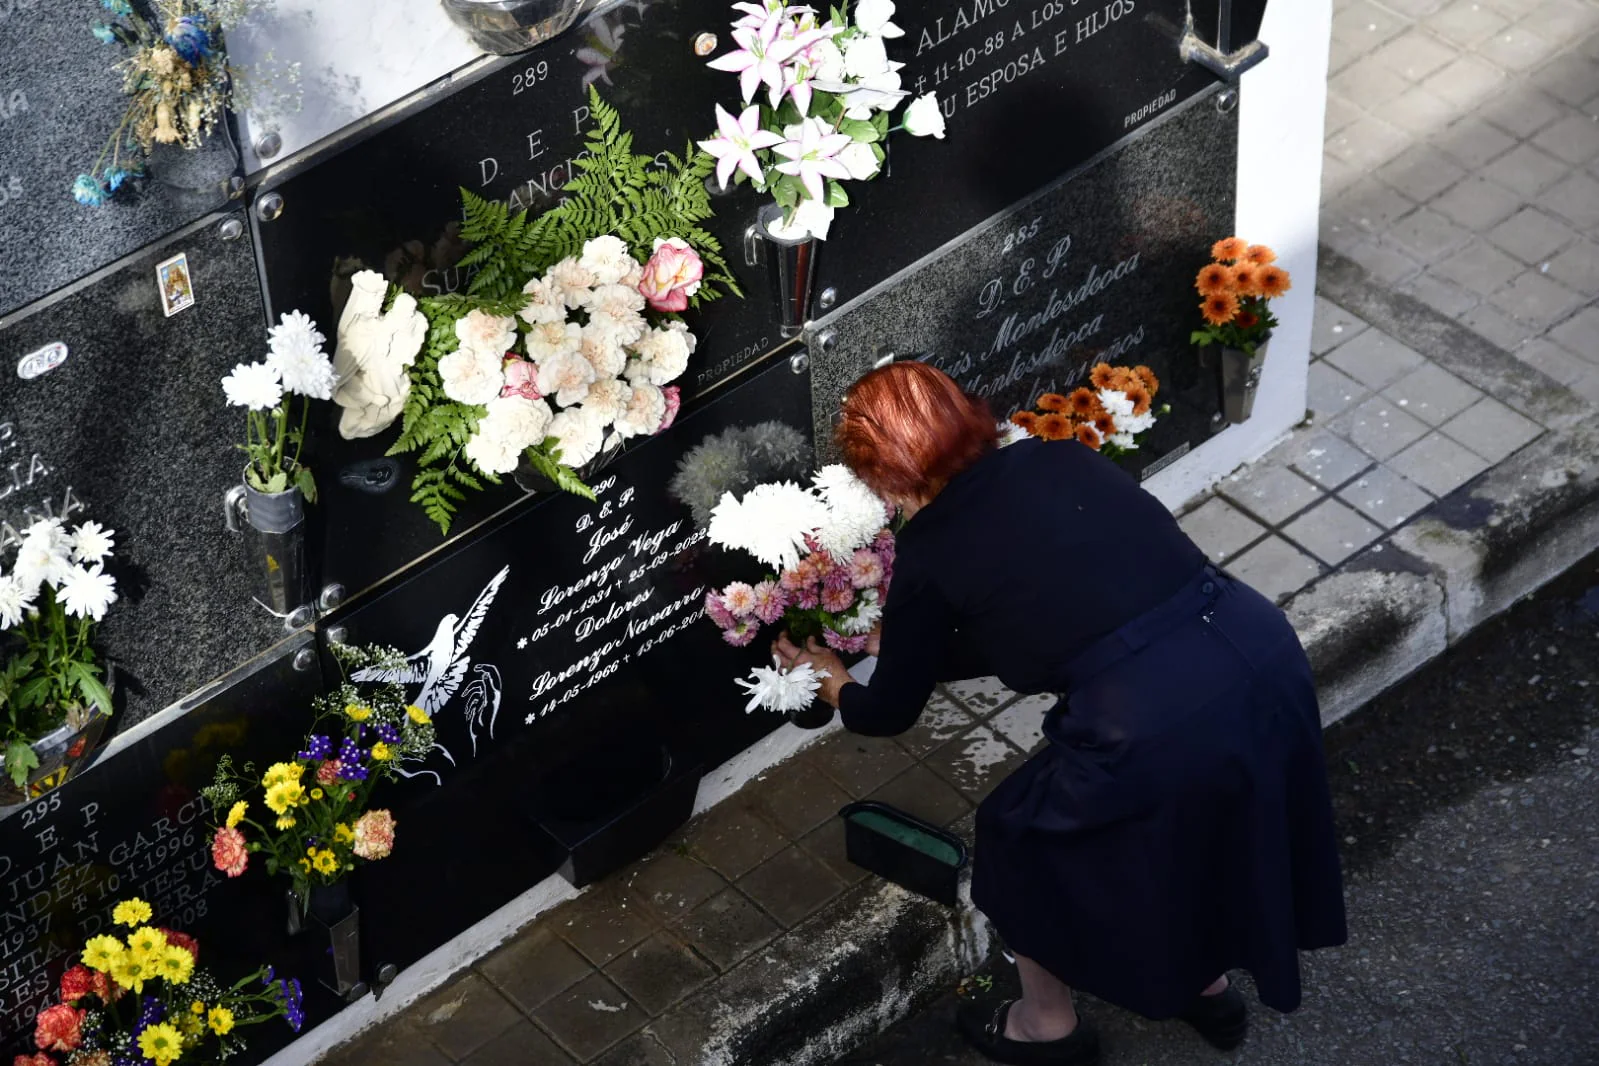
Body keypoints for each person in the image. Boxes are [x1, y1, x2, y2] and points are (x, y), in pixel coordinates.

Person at [776, 363, 1347, 1065]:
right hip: (1256, 648)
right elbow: (1059, 611)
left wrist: (835, 683)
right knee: (1208, 822)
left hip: (1150, 716)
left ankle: (1045, 1025)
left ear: (882, 471)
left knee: (1022, 845)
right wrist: (913, 645)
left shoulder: (928, 551)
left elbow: (886, 713)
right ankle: (1206, 986)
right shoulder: (1060, 456)